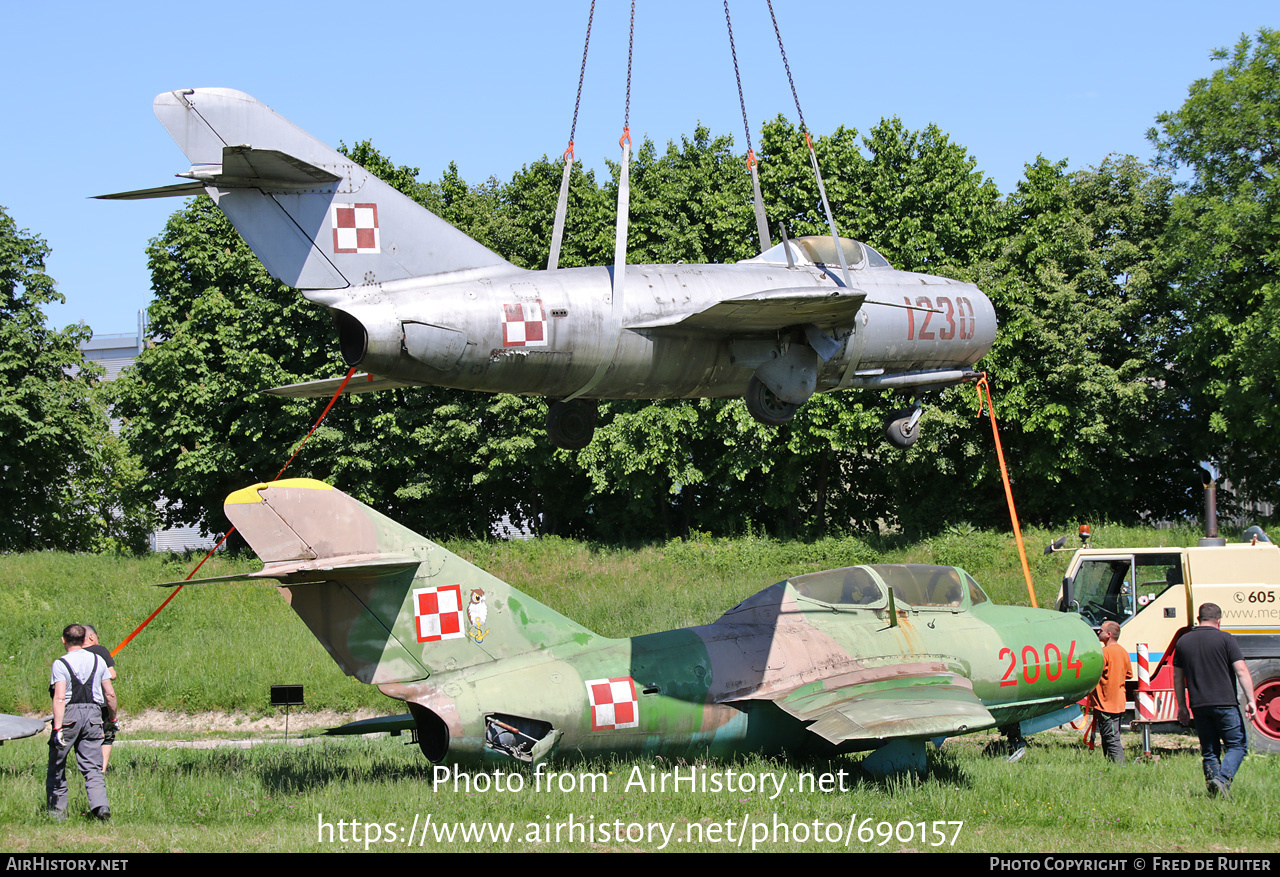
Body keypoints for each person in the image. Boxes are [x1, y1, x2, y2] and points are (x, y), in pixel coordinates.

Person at [1174, 603, 1256, 798]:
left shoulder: (1183, 642)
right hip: (1225, 702)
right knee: (1237, 746)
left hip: (1199, 704)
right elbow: (1241, 670)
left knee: (1210, 750)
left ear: (1199, 618)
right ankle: (1223, 779)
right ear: (1219, 620)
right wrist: (1251, 700)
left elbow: (1178, 678)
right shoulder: (1225, 639)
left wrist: (1182, 706)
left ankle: (1215, 789)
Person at [46, 624, 116, 820]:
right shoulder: (98, 660)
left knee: (57, 765)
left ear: (63, 640)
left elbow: (59, 698)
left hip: (69, 715)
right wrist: (112, 718)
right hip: (94, 715)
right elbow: (109, 693)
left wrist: (57, 728)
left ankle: (57, 812)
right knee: (92, 766)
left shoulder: (60, 663)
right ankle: (101, 807)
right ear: (85, 638)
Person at [1089, 620, 1132, 762]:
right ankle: (1110, 766)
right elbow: (1129, 674)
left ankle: (1121, 767)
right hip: (1118, 702)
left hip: (1107, 703)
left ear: (1109, 634)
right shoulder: (1123, 652)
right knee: (1108, 737)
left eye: (1101, 630)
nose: (1098, 632)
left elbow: (1095, 673)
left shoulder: (1105, 653)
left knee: (1112, 738)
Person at [81, 625, 118, 771]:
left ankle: (85, 767)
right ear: (91, 637)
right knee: (106, 735)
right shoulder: (100, 650)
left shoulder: (73, 653)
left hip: (77, 703)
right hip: (100, 702)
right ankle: (101, 770)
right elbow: (112, 675)